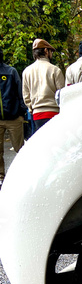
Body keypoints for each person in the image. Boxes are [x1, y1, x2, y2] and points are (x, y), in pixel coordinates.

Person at [22, 39, 65, 132]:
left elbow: (26, 96)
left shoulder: (27, 71)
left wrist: (32, 108)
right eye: (51, 51)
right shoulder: (55, 70)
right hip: (54, 113)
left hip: (37, 115)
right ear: (46, 50)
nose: (51, 54)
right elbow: (62, 94)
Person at [0, 48, 27, 189]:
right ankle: (1, 178)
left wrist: (22, 112)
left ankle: (23, 175)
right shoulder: (11, 71)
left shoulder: (11, 72)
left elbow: (20, 92)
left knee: (20, 149)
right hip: (9, 117)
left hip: (14, 117)